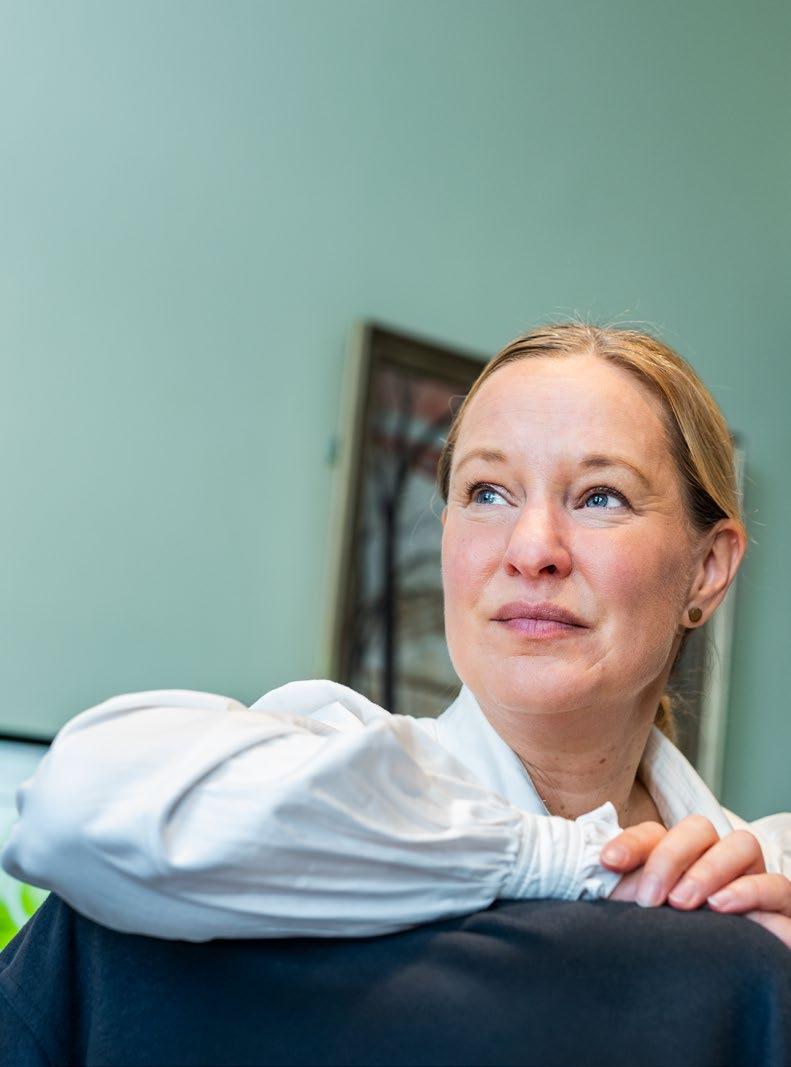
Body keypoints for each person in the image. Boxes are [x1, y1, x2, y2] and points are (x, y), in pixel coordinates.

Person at [3, 323, 790, 948]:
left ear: (706, 568)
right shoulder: (324, 762)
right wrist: (566, 858)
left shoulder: (772, 875)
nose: (531, 549)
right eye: (487, 492)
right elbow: (72, 804)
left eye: (599, 497)